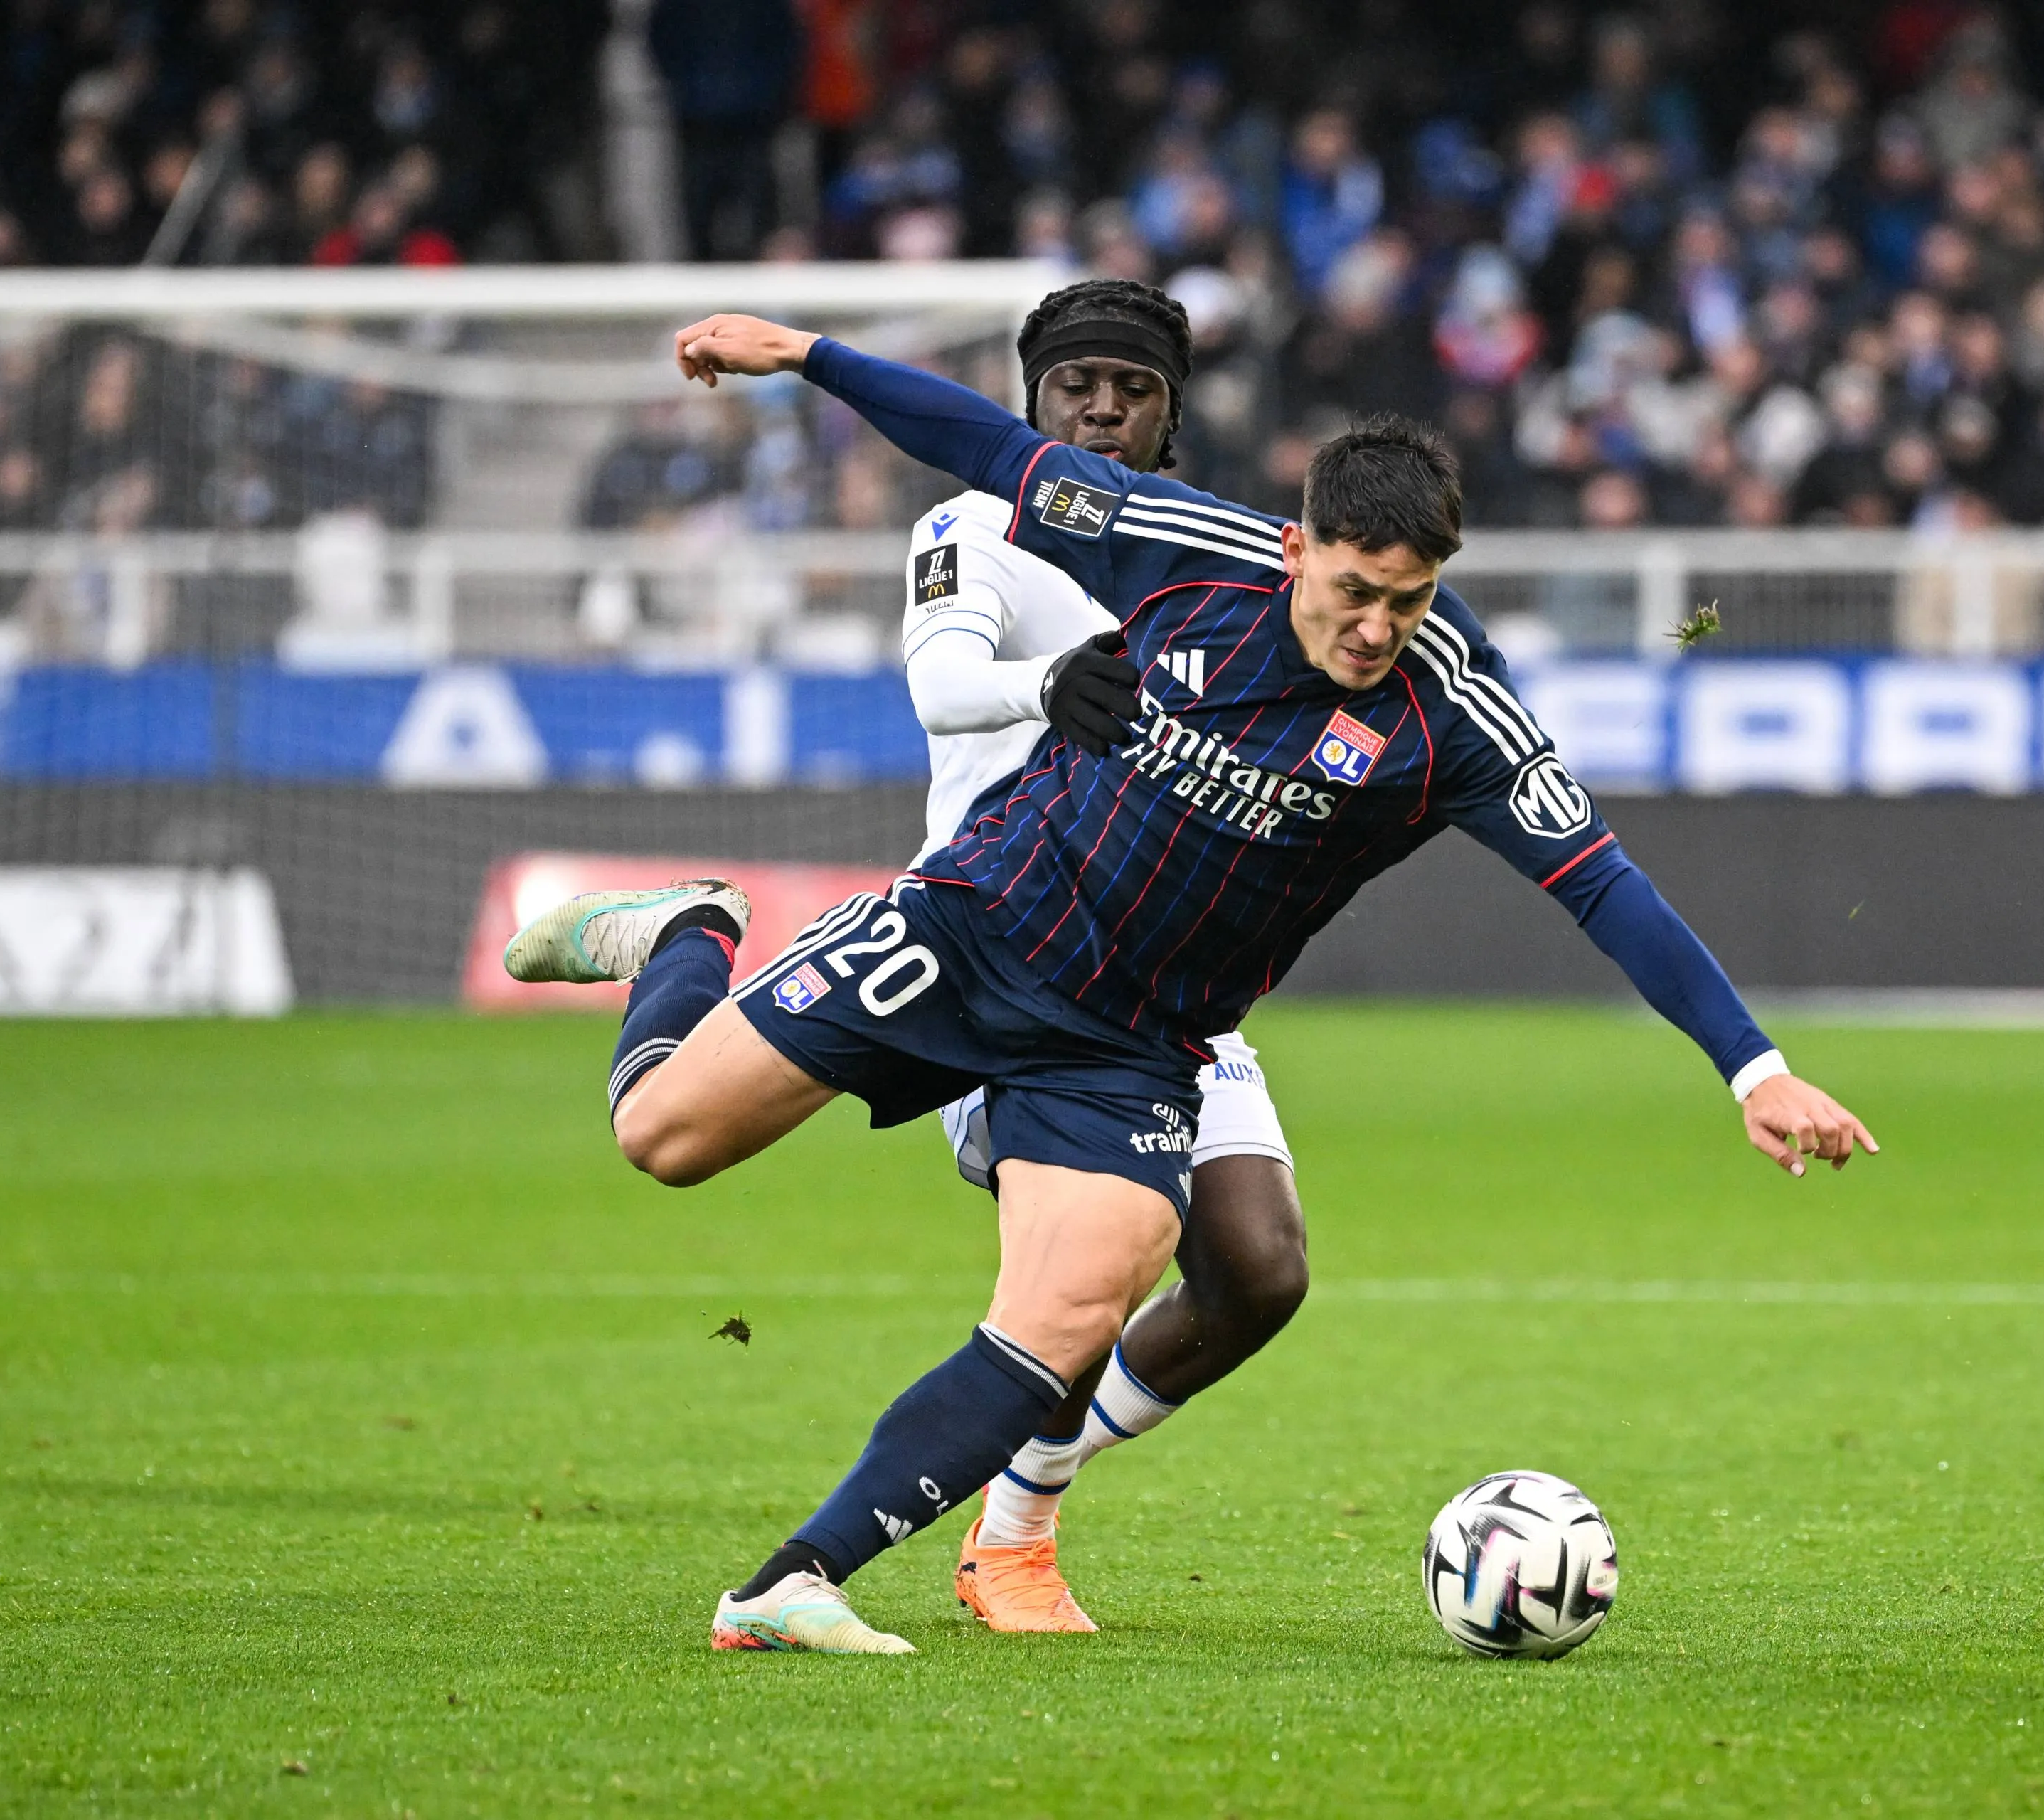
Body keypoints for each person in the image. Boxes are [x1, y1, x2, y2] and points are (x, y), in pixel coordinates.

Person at [504, 314, 1876, 1656]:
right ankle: (693, 928)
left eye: (1409, 600)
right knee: (662, 1139)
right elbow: (987, 444)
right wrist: (808, 358)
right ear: (1298, 548)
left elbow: (1601, 882)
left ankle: (794, 1580)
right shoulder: (1182, 545)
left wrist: (1753, 1068)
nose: (1376, 627)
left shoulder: (1454, 711)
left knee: (1067, 1318)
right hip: (979, 926)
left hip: (1132, 1043)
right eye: (1353, 591)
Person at [905, 280, 1307, 1633]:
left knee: (1258, 1269)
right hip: (1002, 956)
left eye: (1132, 389)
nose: (1102, 407)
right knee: (1099, 1261)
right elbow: (938, 683)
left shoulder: (1217, 562)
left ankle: (1029, 1465)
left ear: (1171, 413)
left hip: (1162, 965)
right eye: (1076, 383)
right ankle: (1016, 1542)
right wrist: (1046, 686)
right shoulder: (974, 525)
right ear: (1031, 400)